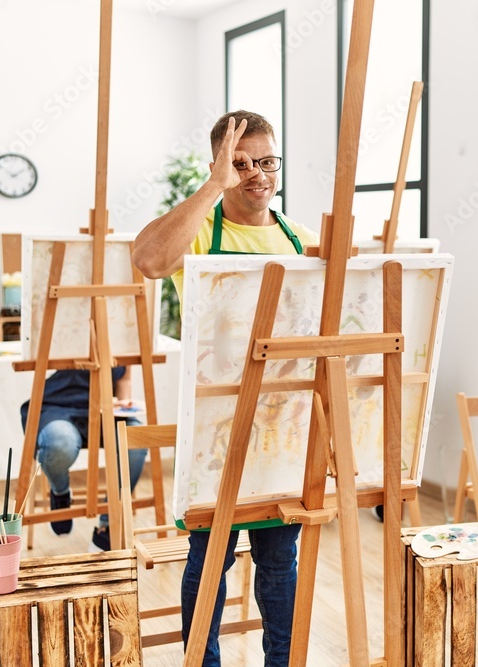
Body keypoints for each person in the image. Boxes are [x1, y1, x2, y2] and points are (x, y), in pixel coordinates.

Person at [132, 109, 319, 667]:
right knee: (210, 552)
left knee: (279, 555)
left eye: (266, 161)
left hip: (283, 420)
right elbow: (147, 260)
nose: (256, 174)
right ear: (220, 164)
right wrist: (215, 185)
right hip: (216, 422)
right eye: (241, 163)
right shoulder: (200, 230)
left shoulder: (300, 240)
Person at [20, 367, 148, 551]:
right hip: (58, 406)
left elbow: (124, 378)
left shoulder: (121, 338)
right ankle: (60, 492)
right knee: (60, 443)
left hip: (104, 408)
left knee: (136, 442)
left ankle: (109, 522)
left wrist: (122, 406)